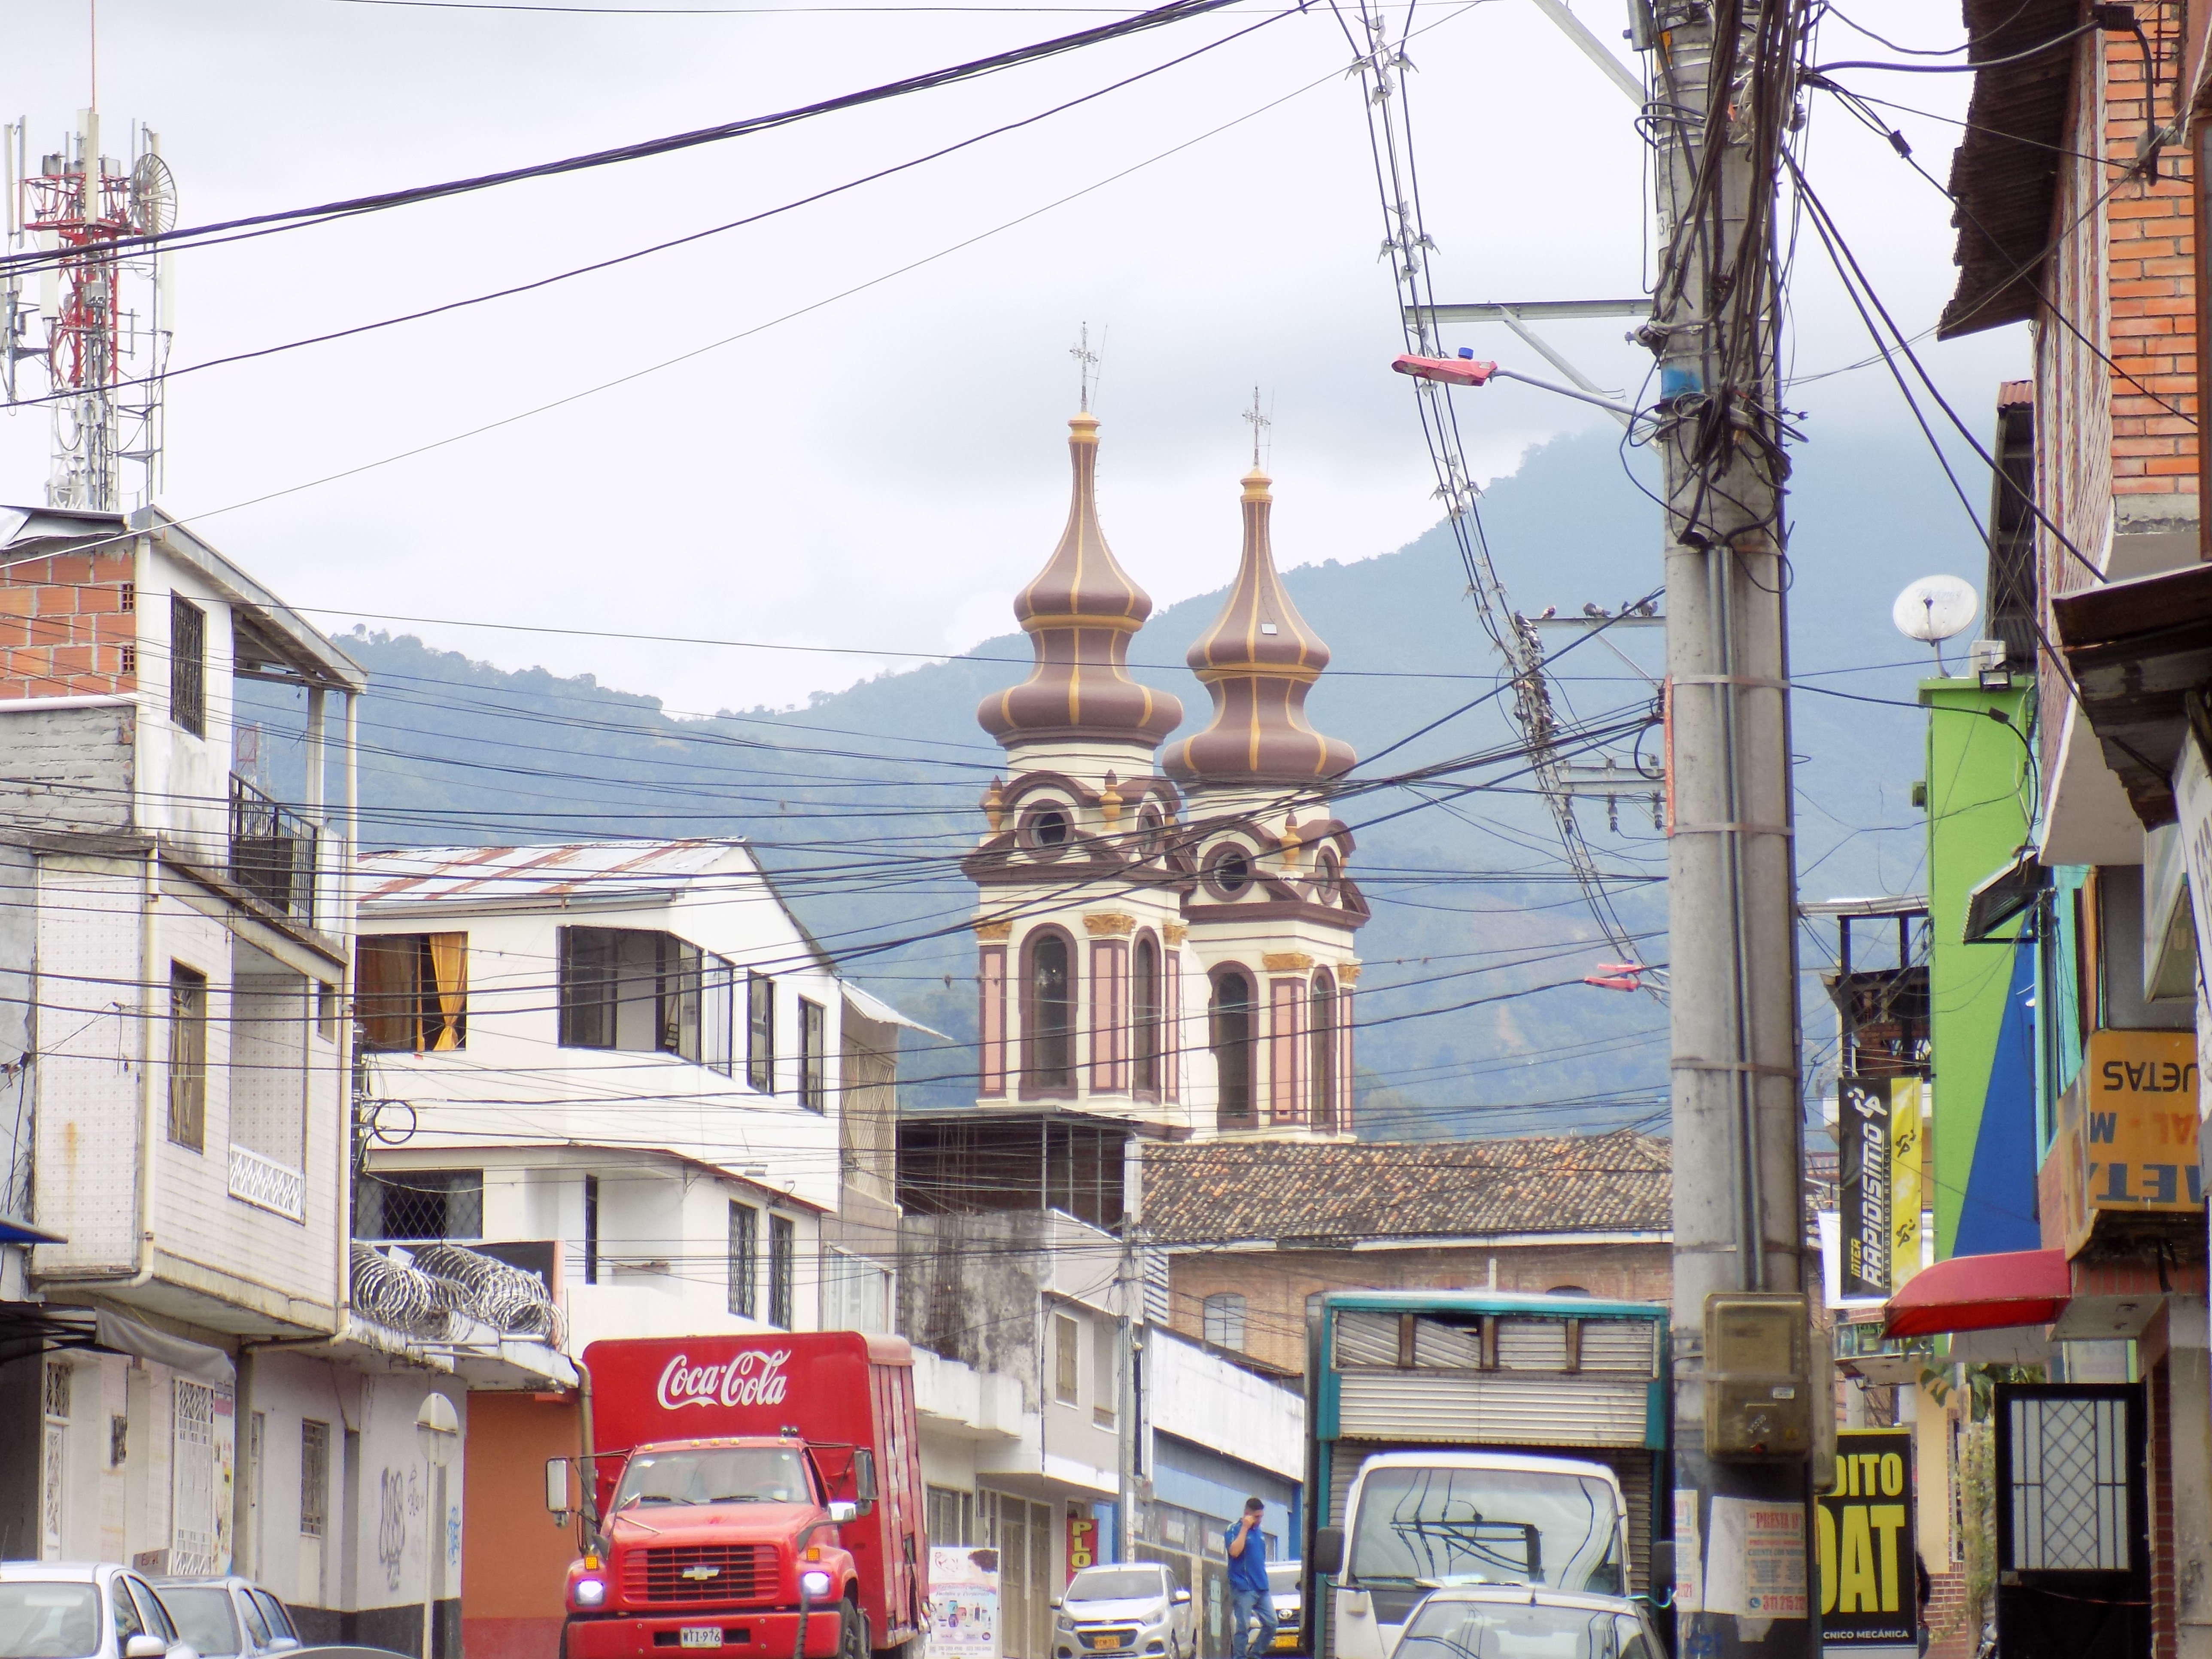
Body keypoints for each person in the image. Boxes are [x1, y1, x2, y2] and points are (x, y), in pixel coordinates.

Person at [1226, 1498, 1278, 1659]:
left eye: (1261, 1517)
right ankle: (1239, 1657)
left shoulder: (1259, 1532)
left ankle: (1255, 1655)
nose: (1259, 1520)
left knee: (1272, 1624)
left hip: (1261, 1587)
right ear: (1247, 1514)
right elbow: (1234, 1552)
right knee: (1243, 1627)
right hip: (1244, 1587)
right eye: (1257, 1517)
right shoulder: (1234, 1529)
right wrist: (1245, 1529)